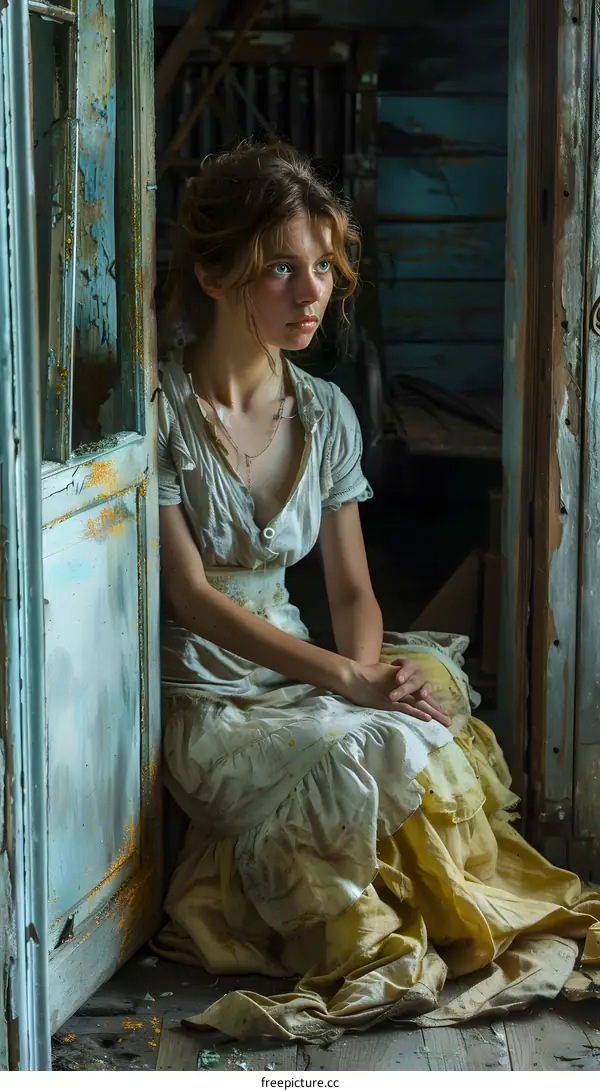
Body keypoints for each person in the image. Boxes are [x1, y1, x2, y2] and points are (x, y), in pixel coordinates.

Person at [152, 142, 600, 1043]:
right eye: (280, 268)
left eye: (322, 266)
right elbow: (192, 599)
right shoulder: (159, 409)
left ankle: (453, 917)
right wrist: (345, 688)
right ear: (211, 271)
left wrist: (361, 686)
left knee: (414, 719)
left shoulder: (322, 411)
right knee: (361, 736)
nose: (312, 292)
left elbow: (354, 590)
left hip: (305, 670)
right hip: (208, 683)